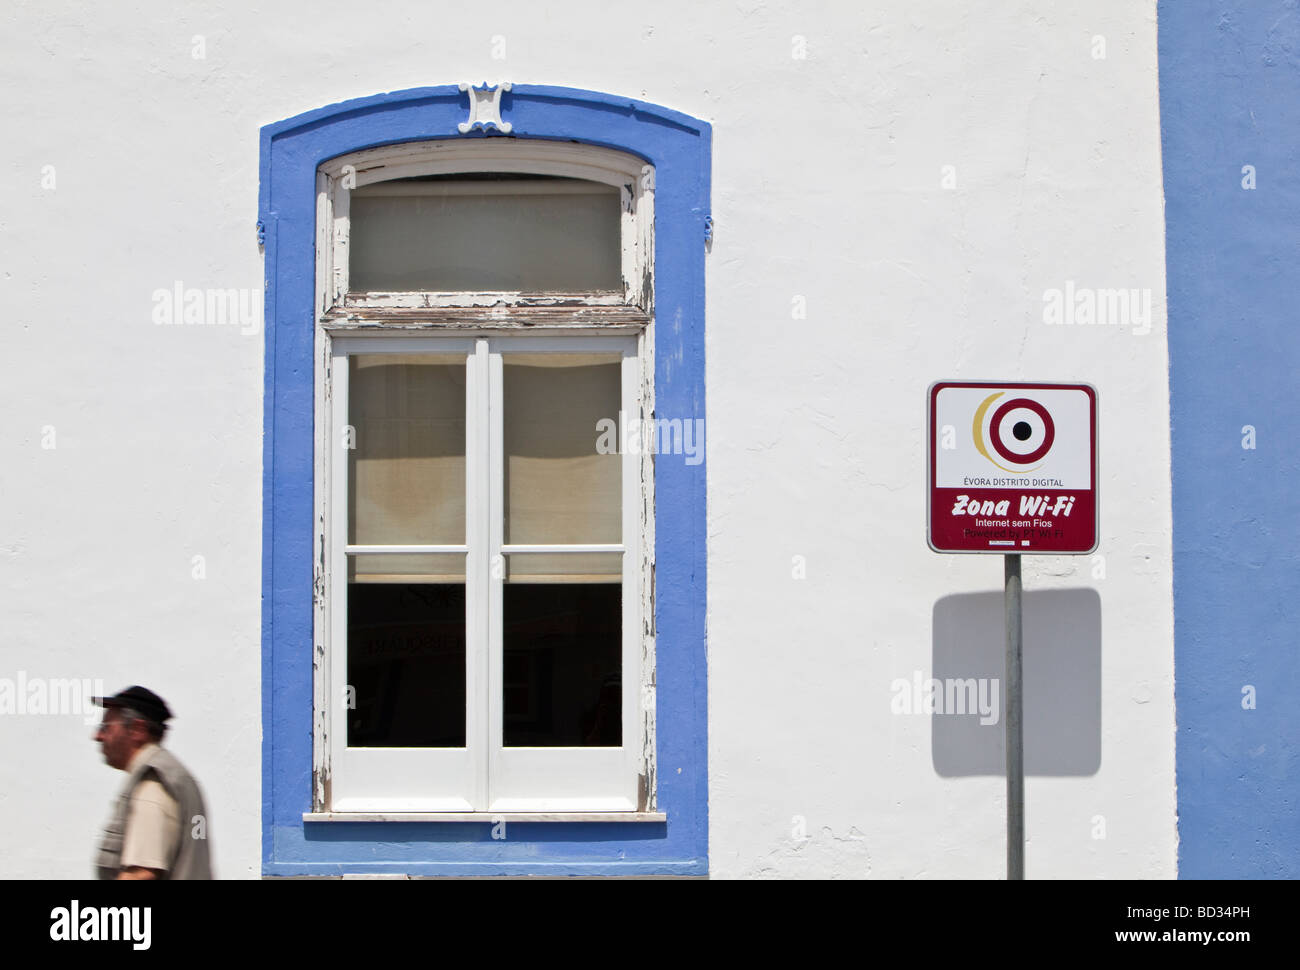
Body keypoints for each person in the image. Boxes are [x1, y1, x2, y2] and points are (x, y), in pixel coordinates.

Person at [91, 686, 212, 880]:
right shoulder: (176, 776)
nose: (97, 736)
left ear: (137, 730)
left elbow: (141, 874)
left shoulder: (152, 782)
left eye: (107, 727)